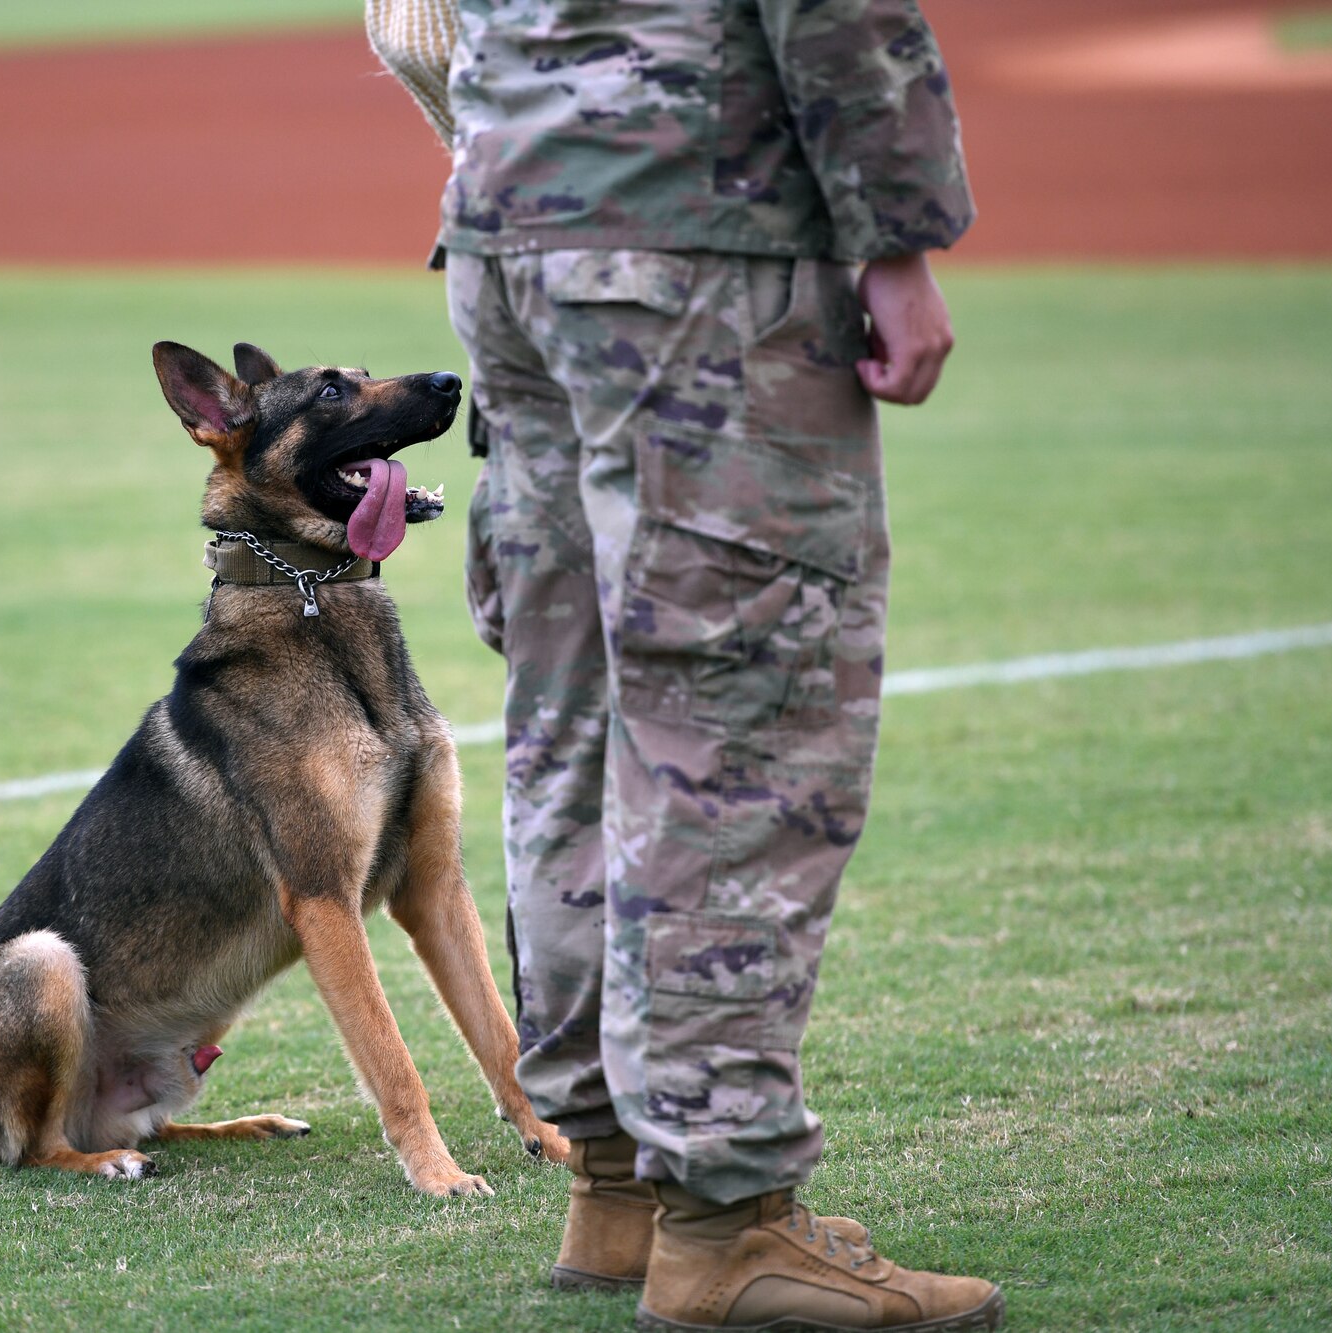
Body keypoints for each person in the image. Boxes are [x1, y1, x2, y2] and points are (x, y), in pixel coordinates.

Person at [366, 1, 1000, 1327]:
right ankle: (725, 1218)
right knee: (736, 731)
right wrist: (896, 235)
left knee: (573, 718)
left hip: (512, 231)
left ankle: (620, 1184)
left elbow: (410, 22)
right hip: (692, 234)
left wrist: (518, 158)